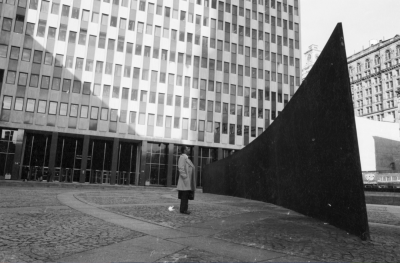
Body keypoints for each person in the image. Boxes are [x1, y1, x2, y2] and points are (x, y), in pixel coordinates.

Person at [177, 145, 196, 215]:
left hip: (187, 181)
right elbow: (181, 168)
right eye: (187, 148)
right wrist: (185, 177)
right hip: (185, 181)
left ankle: (184, 209)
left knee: (186, 196)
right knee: (184, 196)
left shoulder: (186, 158)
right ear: (184, 150)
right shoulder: (182, 157)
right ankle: (183, 210)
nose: (189, 149)